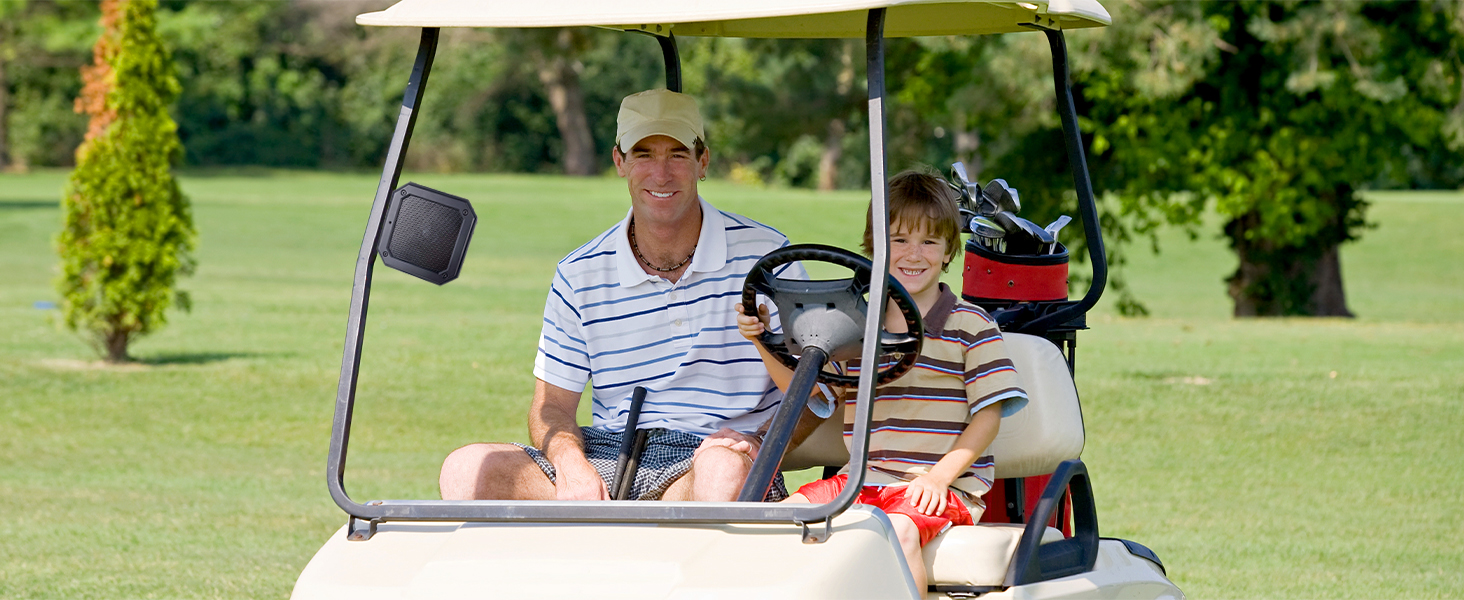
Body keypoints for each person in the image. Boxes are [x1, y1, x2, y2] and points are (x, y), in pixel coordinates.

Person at [439, 89, 805, 503]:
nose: (661, 174)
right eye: (644, 154)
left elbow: (816, 396)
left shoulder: (770, 258)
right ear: (620, 162)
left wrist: (758, 440)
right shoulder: (579, 272)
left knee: (722, 472)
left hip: (714, 453)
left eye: (677, 155)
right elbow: (552, 407)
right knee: (465, 469)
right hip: (610, 452)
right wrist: (570, 464)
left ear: (702, 162)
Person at [735, 169, 1028, 592]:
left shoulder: (971, 325)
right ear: (874, 248)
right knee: (778, 519)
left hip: (936, 487)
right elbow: (811, 397)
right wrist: (762, 340)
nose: (913, 254)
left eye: (929, 241)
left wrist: (938, 478)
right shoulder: (855, 325)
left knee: (897, 532)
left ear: (949, 251)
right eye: (899, 240)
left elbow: (988, 418)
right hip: (862, 479)